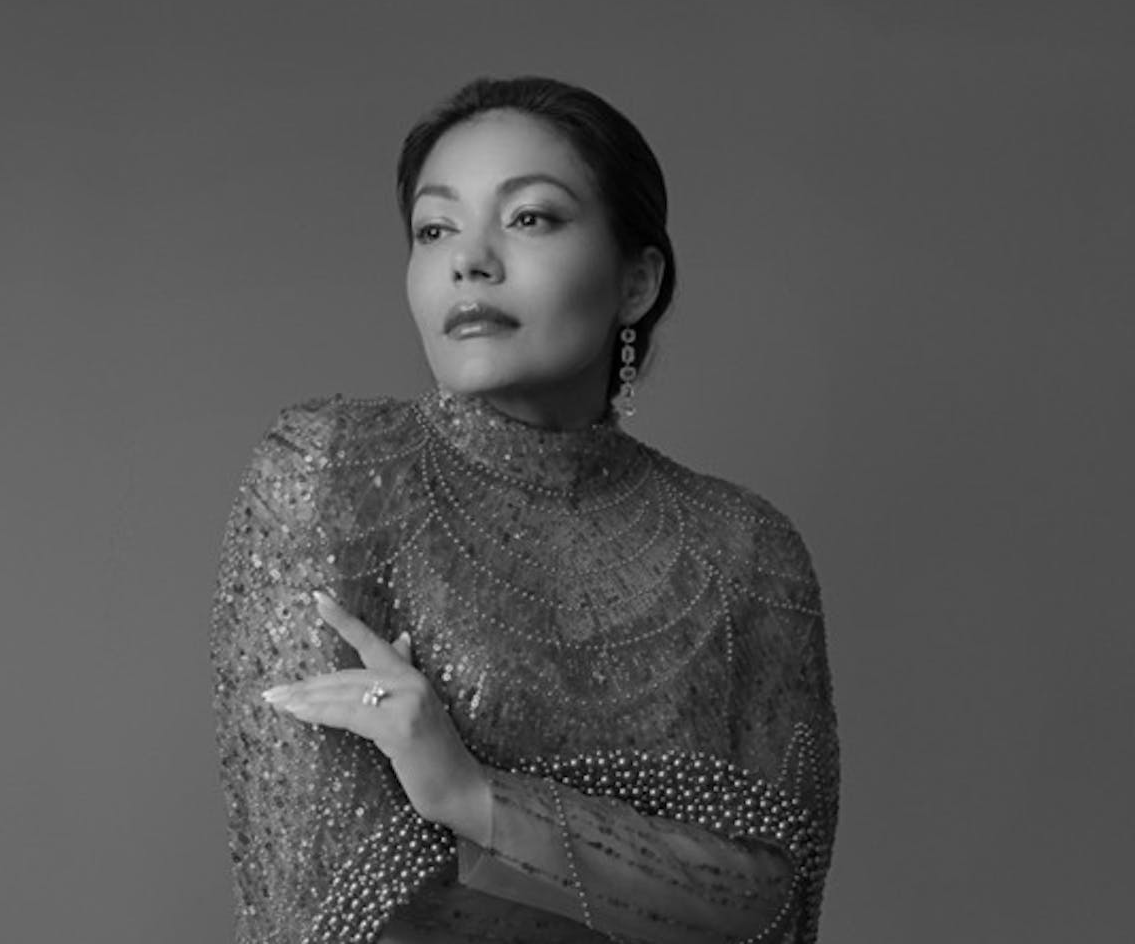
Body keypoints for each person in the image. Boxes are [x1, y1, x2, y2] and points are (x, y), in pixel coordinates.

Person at [210, 76, 839, 944]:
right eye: (435, 228)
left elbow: (773, 905)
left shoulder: (748, 550)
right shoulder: (332, 472)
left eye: (530, 217)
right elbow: (322, 900)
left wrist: (470, 796)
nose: (470, 259)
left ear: (637, 280)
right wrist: (653, 865)